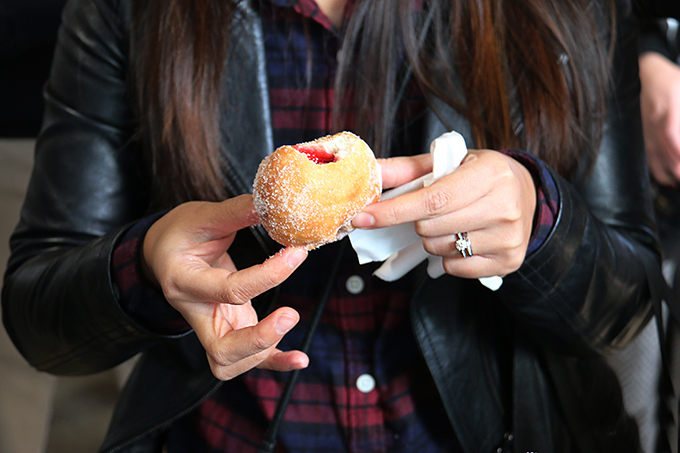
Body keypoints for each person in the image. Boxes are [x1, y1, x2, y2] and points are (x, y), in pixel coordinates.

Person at [0, 0, 666, 452]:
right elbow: (39, 317)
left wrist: (541, 224)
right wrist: (146, 263)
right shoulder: (130, 12)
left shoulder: (565, 13)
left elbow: (625, 302)